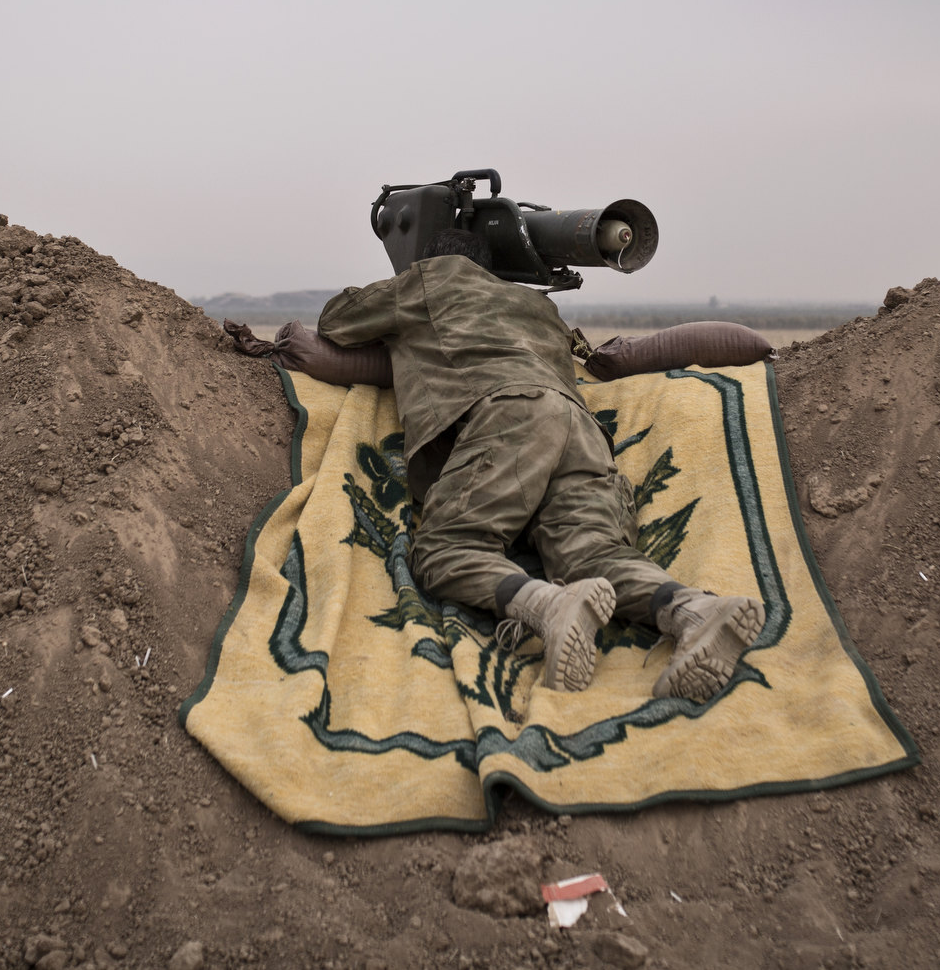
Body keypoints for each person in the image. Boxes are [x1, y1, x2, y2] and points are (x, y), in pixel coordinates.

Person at [318, 227, 763, 700]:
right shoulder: (538, 306)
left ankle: (547, 605)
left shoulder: (431, 278)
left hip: (512, 415)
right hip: (581, 430)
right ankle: (693, 610)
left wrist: (408, 277)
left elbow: (336, 321)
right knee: (592, 555)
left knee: (445, 549)